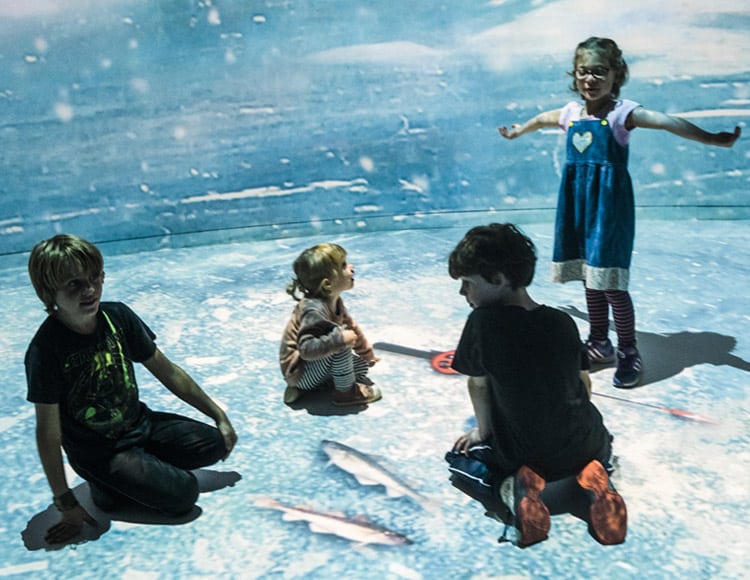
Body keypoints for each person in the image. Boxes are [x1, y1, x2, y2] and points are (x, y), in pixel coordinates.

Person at [499, 36, 741, 388]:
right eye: (583, 72)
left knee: (611, 284)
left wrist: (712, 139)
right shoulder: (570, 114)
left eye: (599, 72)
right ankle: (599, 343)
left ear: (616, 75)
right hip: (577, 208)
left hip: (609, 211)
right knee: (589, 279)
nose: (590, 79)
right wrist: (518, 131)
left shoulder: (622, 114)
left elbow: (668, 121)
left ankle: (628, 350)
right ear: (575, 75)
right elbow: (539, 119)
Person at [25, 234, 238, 544]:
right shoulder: (45, 350)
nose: (90, 290)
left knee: (215, 444)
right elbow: (47, 433)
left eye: (95, 278)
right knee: (184, 496)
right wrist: (66, 502)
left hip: (140, 424)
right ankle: (106, 488)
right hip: (99, 451)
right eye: (74, 284)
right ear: (49, 292)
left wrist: (218, 414)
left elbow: (168, 371)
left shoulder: (118, 317)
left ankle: (138, 472)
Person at [445, 223, 627, 548]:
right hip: (587, 440)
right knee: (598, 441)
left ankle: (518, 485)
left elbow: (479, 386)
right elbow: (583, 383)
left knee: (460, 462)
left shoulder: (483, 323)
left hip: (526, 453)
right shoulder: (562, 322)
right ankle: (596, 474)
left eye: (468, 283)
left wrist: (482, 433)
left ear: (498, 279)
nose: (463, 293)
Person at [280, 242, 381, 406]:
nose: (351, 267)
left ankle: (308, 390)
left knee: (362, 367)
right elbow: (306, 349)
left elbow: (351, 325)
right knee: (342, 341)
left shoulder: (334, 301)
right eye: (343, 266)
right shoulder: (313, 310)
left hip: (314, 367)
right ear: (328, 284)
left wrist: (367, 353)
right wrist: (339, 340)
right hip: (301, 372)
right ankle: (345, 394)